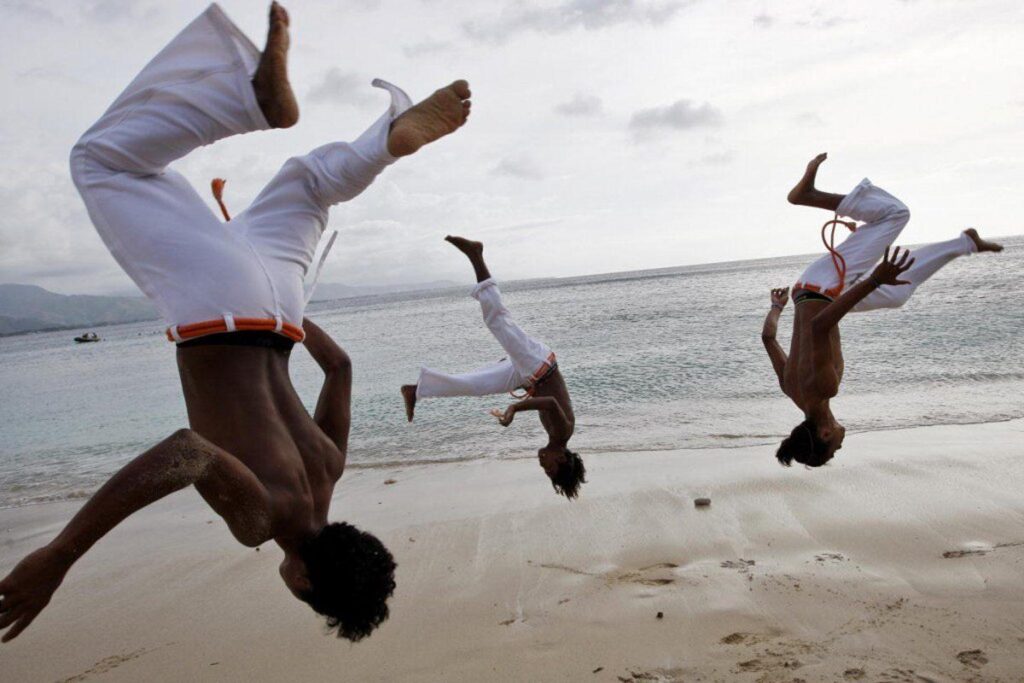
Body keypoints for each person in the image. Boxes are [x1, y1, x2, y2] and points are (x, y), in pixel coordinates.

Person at [0, 2, 471, 643]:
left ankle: (382, 144)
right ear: (305, 581)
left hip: (280, 305)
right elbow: (188, 453)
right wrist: (59, 556)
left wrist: (295, 314)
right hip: (214, 309)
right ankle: (246, 100)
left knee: (307, 185)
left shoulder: (330, 465)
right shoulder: (264, 519)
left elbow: (340, 366)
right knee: (101, 162)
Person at [763, 153, 1003, 468]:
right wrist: (776, 308)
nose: (839, 446)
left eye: (833, 450)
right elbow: (768, 338)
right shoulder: (795, 393)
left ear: (824, 434)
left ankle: (807, 196)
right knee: (896, 293)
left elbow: (819, 327)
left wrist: (875, 278)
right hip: (811, 294)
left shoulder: (823, 388)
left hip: (823, 286)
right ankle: (965, 243)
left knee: (895, 214)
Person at [400, 236, 585, 499]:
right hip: (539, 364)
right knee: (497, 320)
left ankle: (416, 390)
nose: (543, 466)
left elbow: (546, 399)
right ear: (563, 461)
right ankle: (476, 255)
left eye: (545, 472)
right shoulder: (564, 432)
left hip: (527, 377)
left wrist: (515, 404)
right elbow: (551, 403)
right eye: (550, 469)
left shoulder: (555, 437)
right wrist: (513, 409)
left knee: (476, 385)